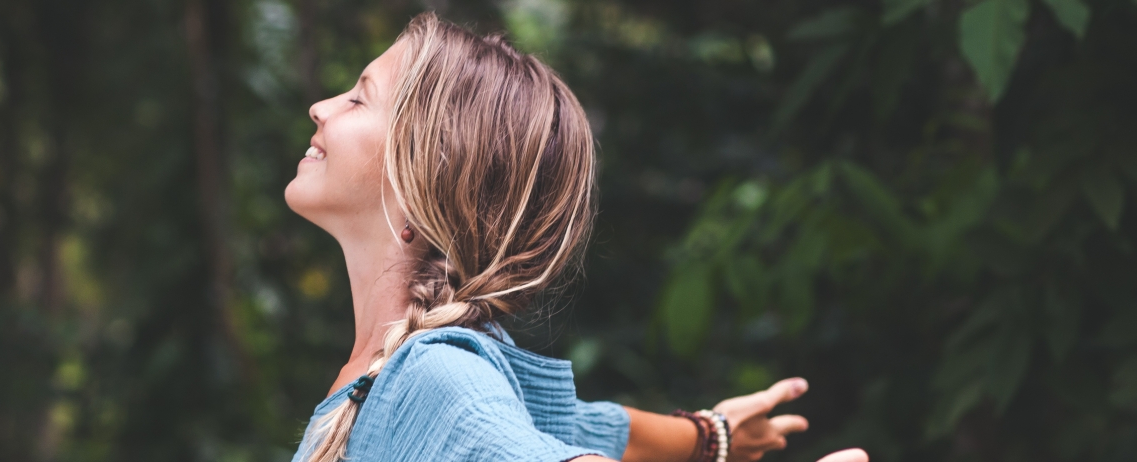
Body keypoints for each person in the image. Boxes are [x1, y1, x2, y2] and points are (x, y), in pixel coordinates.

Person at [283, 12, 871, 462]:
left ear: (421, 177)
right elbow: (582, 428)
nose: (320, 107)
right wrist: (710, 436)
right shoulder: (414, 373)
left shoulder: (434, 379)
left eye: (359, 98)